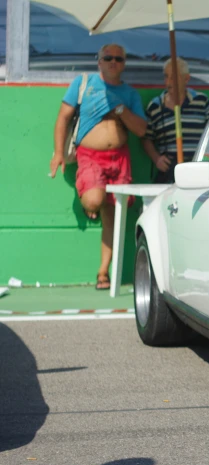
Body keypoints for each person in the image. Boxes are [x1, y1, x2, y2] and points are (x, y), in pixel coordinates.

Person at [49, 43, 147, 290]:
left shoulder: (130, 94)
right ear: (99, 61)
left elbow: (140, 130)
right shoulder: (83, 84)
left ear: (124, 64)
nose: (113, 62)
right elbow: (63, 118)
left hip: (120, 158)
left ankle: (103, 272)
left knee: (114, 217)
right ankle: (93, 200)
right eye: (108, 58)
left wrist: (120, 110)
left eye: (119, 59)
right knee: (94, 201)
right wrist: (58, 152)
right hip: (90, 156)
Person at [142, 57, 209, 183]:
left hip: (198, 168)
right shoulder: (156, 106)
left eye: (174, 77)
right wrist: (157, 159)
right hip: (170, 171)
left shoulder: (201, 101)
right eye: (166, 76)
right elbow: (146, 138)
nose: (169, 82)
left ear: (186, 79)